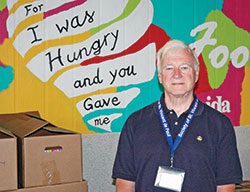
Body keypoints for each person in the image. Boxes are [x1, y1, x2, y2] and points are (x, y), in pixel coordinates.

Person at [112, 39, 242, 192]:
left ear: (196, 74)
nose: (177, 74)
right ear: (160, 77)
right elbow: (125, 184)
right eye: (169, 68)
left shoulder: (220, 125)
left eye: (184, 67)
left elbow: (225, 186)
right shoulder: (135, 123)